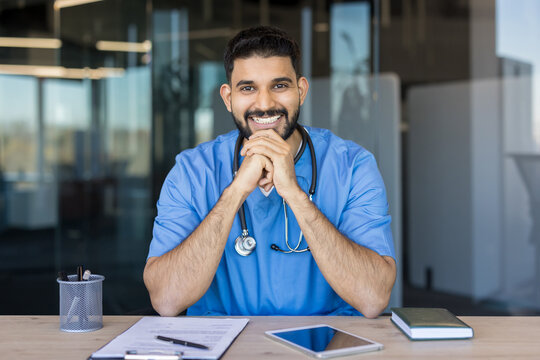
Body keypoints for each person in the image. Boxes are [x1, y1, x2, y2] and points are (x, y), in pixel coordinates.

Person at [143, 26, 396, 318]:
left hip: (328, 347)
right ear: (227, 98)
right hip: (225, 349)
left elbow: (373, 297)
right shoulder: (191, 172)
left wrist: (294, 193)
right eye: (248, 88)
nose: (264, 105)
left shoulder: (353, 166)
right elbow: (166, 300)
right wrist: (236, 192)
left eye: (279, 86)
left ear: (300, 91)